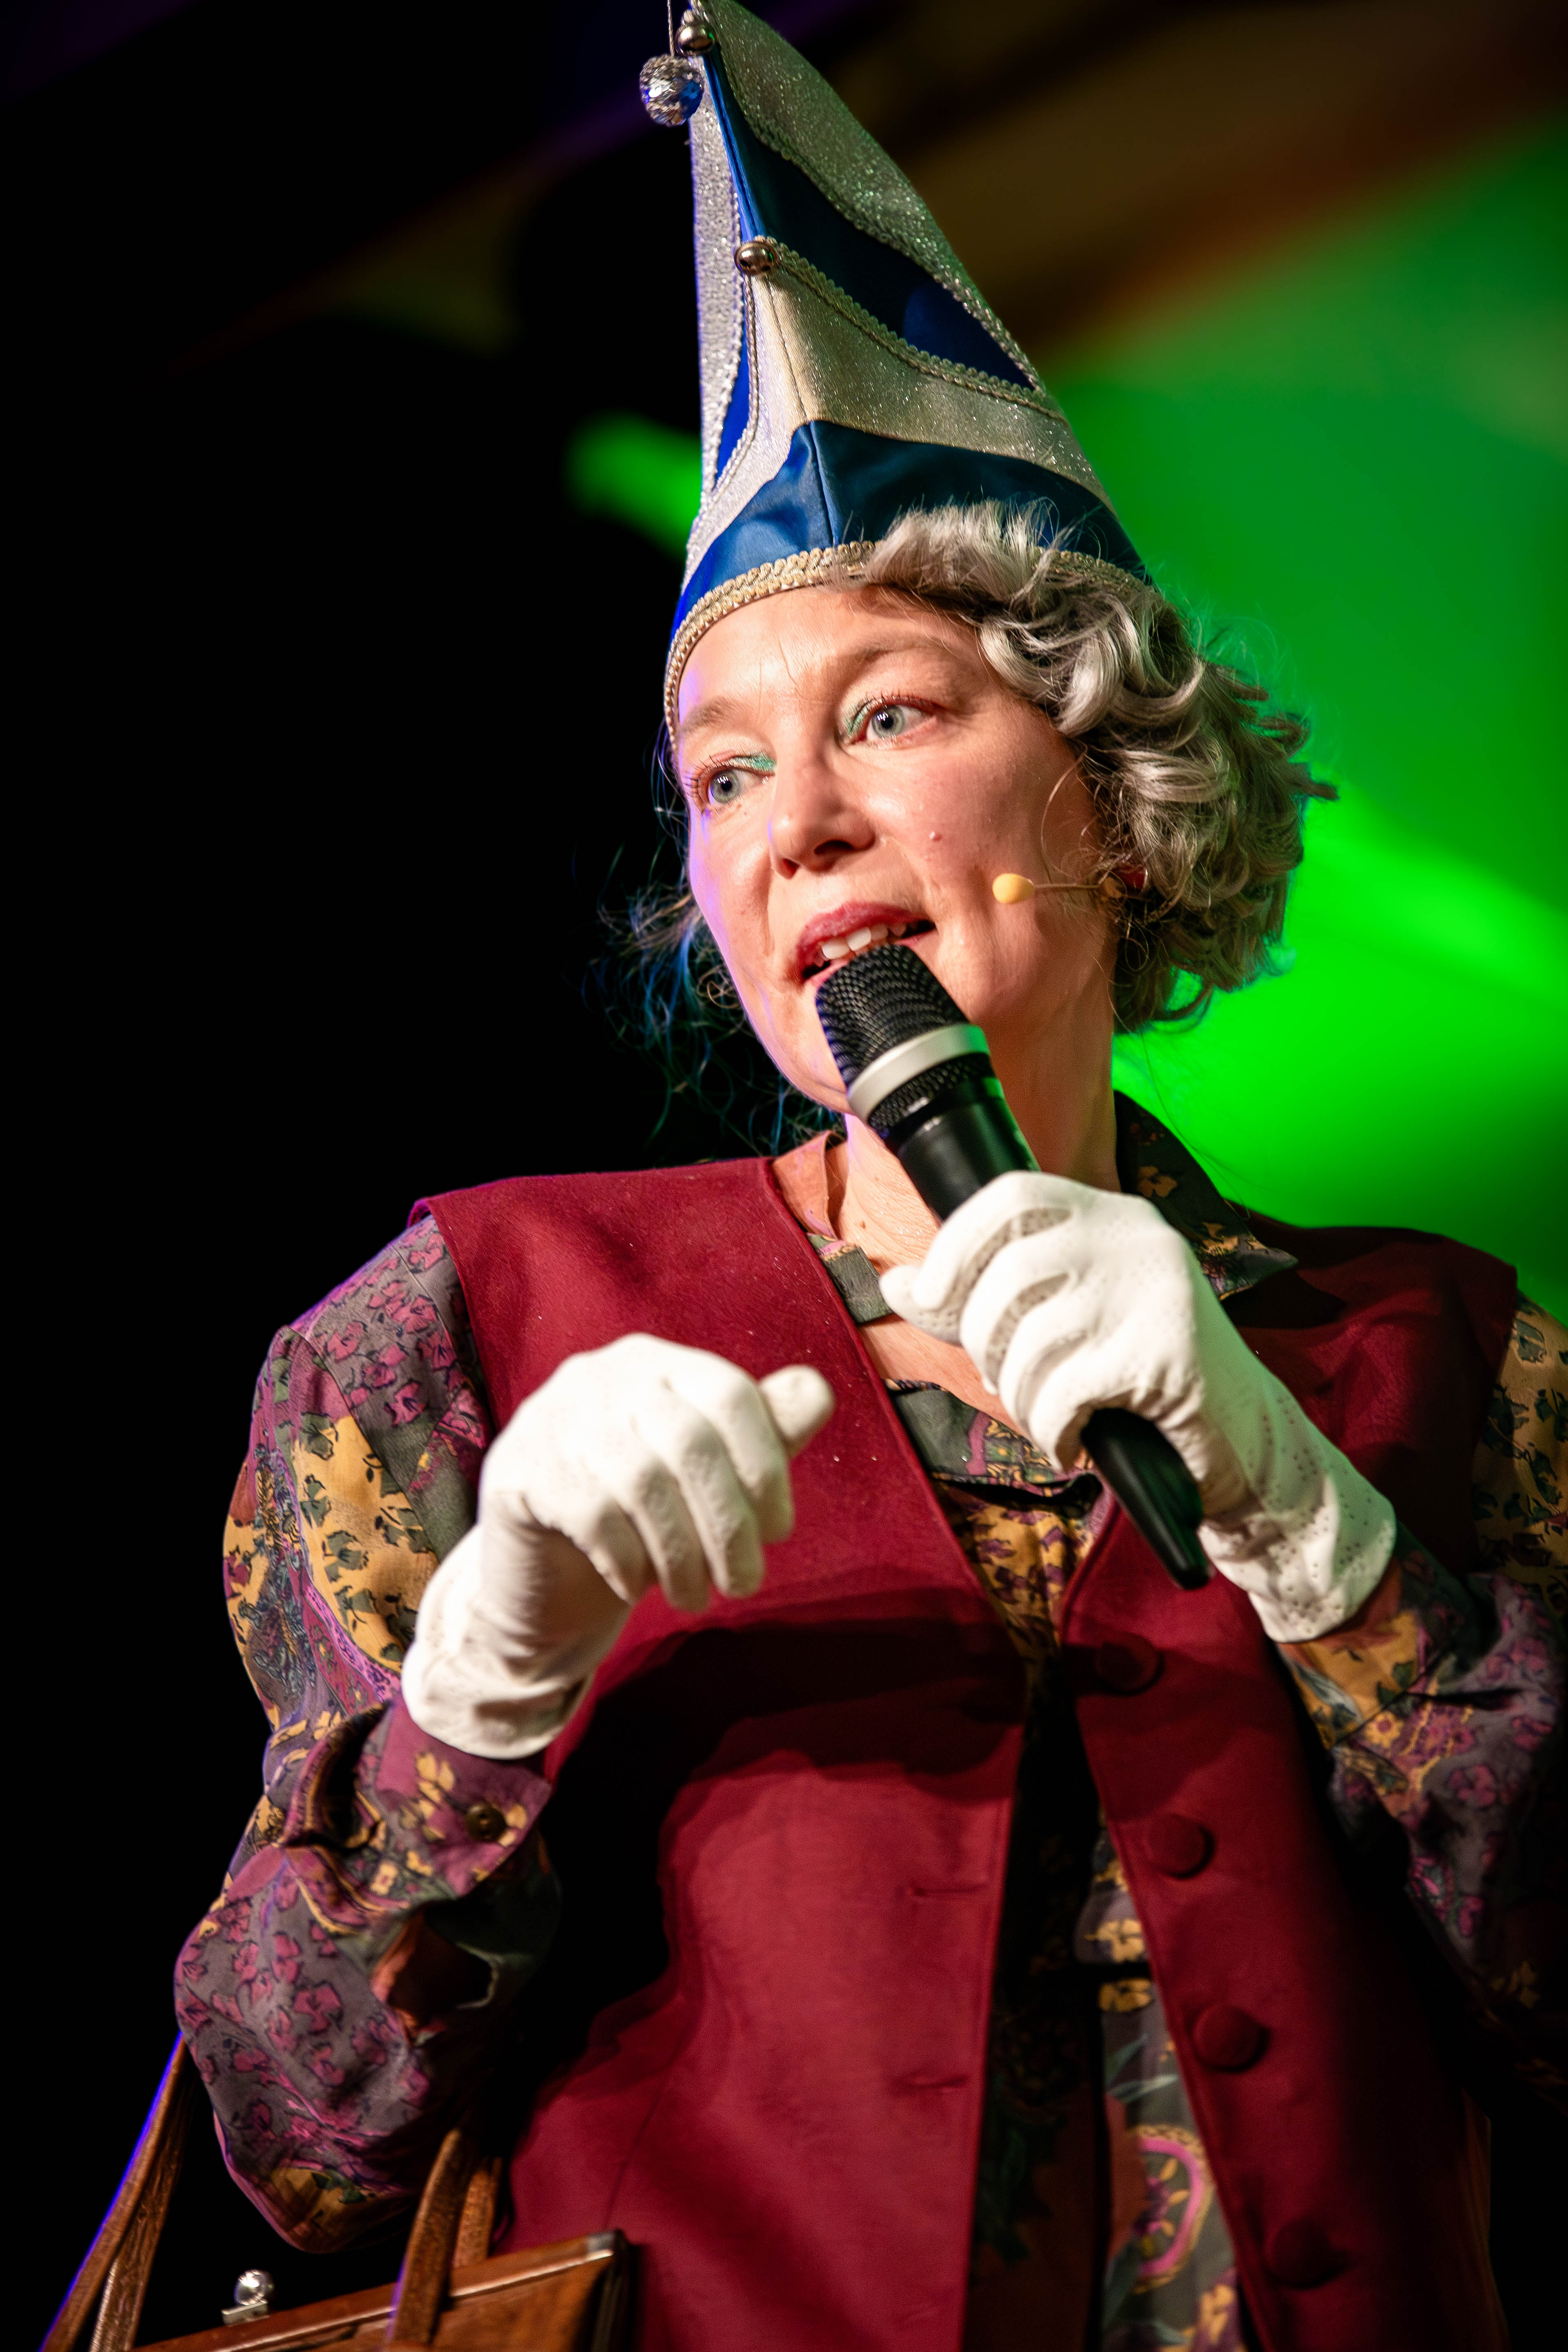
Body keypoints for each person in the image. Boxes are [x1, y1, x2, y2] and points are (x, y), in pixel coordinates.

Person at [177, 7, 1564, 2349]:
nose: (793, 823)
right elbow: (302, 2137)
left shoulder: (1450, 1351)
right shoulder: (448, 1336)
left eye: (891, 716)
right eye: (723, 777)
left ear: (1116, 797)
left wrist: (1327, 1540)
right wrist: (484, 1689)